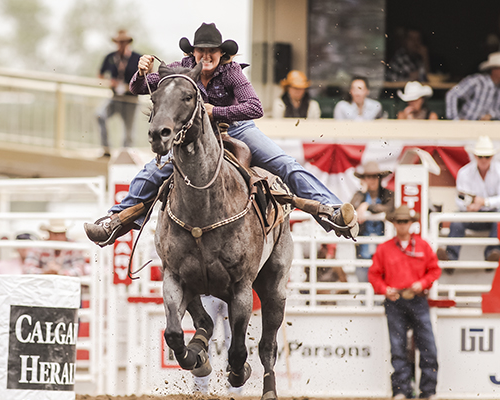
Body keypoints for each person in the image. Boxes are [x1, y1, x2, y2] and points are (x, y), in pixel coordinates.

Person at [84, 22, 358, 245]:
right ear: (193, 52)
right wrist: (139, 71)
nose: (205, 55)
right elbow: (139, 87)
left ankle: (331, 210)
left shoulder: (232, 72)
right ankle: (116, 219)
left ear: (221, 53)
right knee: (152, 172)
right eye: (200, 50)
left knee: (285, 164)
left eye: (211, 51)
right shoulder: (181, 71)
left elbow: (255, 107)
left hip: (238, 131)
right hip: (197, 138)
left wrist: (215, 113)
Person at [368, 205, 440, 400]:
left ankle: (428, 391)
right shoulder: (385, 249)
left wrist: (422, 283)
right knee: (398, 347)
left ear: (411, 224)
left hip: (418, 299)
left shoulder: (423, 246)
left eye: (405, 221)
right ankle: (401, 390)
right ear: (394, 224)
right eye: (399, 222)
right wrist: (385, 289)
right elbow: (374, 275)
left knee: (428, 346)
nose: (402, 225)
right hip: (395, 300)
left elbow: (434, 270)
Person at [438, 136, 500, 262]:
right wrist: (469, 206)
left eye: (486, 156)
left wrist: (484, 202)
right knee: (457, 221)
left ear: (492, 157)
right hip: (473, 214)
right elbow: (460, 200)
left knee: (498, 220)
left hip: (491, 215)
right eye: (480, 156)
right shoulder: (464, 172)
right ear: (475, 156)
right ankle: (451, 256)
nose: (483, 160)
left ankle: (493, 253)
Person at [96, 30, 142, 158]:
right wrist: (110, 82)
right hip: (115, 97)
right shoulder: (110, 57)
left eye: (124, 42)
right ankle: (106, 149)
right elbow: (100, 75)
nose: (121, 44)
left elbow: (149, 74)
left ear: (128, 42)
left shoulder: (137, 58)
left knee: (129, 132)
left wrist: (133, 85)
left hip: (131, 99)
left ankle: (125, 157)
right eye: (119, 42)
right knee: (100, 115)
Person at [351, 162, 395, 279]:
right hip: (363, 250)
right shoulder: (359, 195)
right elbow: (351, 208)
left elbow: (388, 208)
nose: (373, 180)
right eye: (369, 177)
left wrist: (366, 205)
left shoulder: (387, 194)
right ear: (363, 179)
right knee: (363, 288)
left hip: (383, 250)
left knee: (382, 286)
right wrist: (363, 193)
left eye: (375, 176)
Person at [445, 52, 500, 121]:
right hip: (466, 124)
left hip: (485, 128)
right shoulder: (477, 81)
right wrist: (455, 119)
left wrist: (491, 115)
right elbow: (452, 94)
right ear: (494, 70)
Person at [25, 219, 89, 276]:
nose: (59, 237)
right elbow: (27, 269)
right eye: (55, 234)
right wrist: (45, 272)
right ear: (49, 234)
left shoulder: (74, 246)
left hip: (66, 285)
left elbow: (80, 270)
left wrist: (59, 272)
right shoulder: (39, 247)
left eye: (62, 233)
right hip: (44, 285)